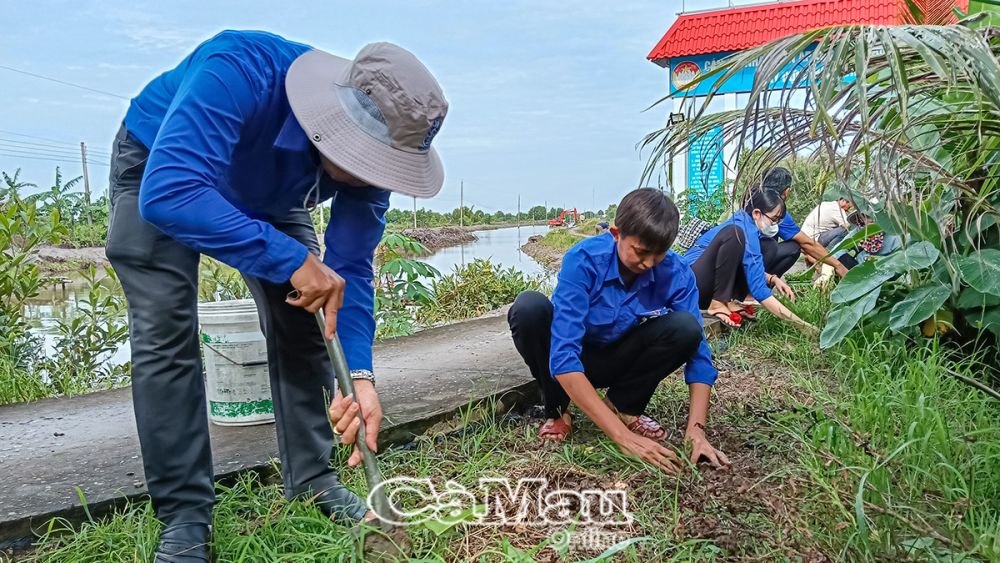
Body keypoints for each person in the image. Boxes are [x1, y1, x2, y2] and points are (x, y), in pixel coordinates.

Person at [105, 31, 448, 561]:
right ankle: (187, 516)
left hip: (274, 192)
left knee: (308, 320)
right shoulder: (238, 68)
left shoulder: (379, 155)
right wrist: (292, 260)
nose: (370, 177)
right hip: (162, 165)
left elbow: (349, 273)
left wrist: (359, 376)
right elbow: (172, 193)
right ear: (332, 121)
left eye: (382, 165)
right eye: (364, 160)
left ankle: (312, 477)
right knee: (164, 330)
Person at [507, 188, 730, 474]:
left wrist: (696, 431)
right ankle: (558, 409)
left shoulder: (676, 273)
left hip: (618, 358)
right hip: (574, 362)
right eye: (640, 251)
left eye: (659, 254)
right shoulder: (583, 260)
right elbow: (563, 356)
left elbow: (699, 356)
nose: (649, 263)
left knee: (686, 328)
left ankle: (623, 406)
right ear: (616, 234)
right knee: (529, 308)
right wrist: (623, 439)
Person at [684, 189, 813, 329]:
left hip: (702, 286)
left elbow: (752, 270)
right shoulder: (743, 229)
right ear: (757, 213)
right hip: (692, 282)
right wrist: (803, 326)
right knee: (733, 234)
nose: (774, 225)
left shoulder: (745, 222)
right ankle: (718, 303)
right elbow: (760, 291)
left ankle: (724, 302)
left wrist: (773, 279)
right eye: (773, 219)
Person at [755, 167, 850, 279]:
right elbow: (806, 243)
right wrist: (838, 265)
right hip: (753, 261)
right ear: (786, 191)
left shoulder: (752, 200)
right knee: (794, 247)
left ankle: (762, 283)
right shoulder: (776, 211)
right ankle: (761, 285)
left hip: (739, 260)